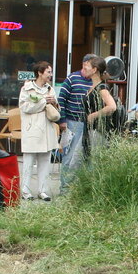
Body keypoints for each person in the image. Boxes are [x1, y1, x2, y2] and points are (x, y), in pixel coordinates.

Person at [18, 61, 59, 201]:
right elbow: (25, 107)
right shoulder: (27, 88)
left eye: (51, 72)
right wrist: (43, 101)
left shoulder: (50, 89)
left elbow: (56, 109)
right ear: (40, 73)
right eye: (48, 72)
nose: (50, 75)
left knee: (45, 162)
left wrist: (53, 102)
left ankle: (43, 191)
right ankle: (25, 191)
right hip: (32, 130)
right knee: (28, 162)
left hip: (47, 129)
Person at [56, 53, 97, 191]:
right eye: (92, 65)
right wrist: (62, 120)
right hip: (73, 122)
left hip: (90, 124)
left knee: (87, 156)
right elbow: (61, 99)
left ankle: (81, 189)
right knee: (70, 155)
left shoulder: (95, 81)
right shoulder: (72, 78)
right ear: (85, 64)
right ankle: (65, 189)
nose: (94, 69)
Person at [81, 55, 117, 158]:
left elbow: (112, 107)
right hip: (89, 130)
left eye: (87, 66)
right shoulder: (93, 87)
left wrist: (94, 115)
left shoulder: (101, 88)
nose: (84, 69)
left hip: (97, 131)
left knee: (93, 160)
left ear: (94, 70)